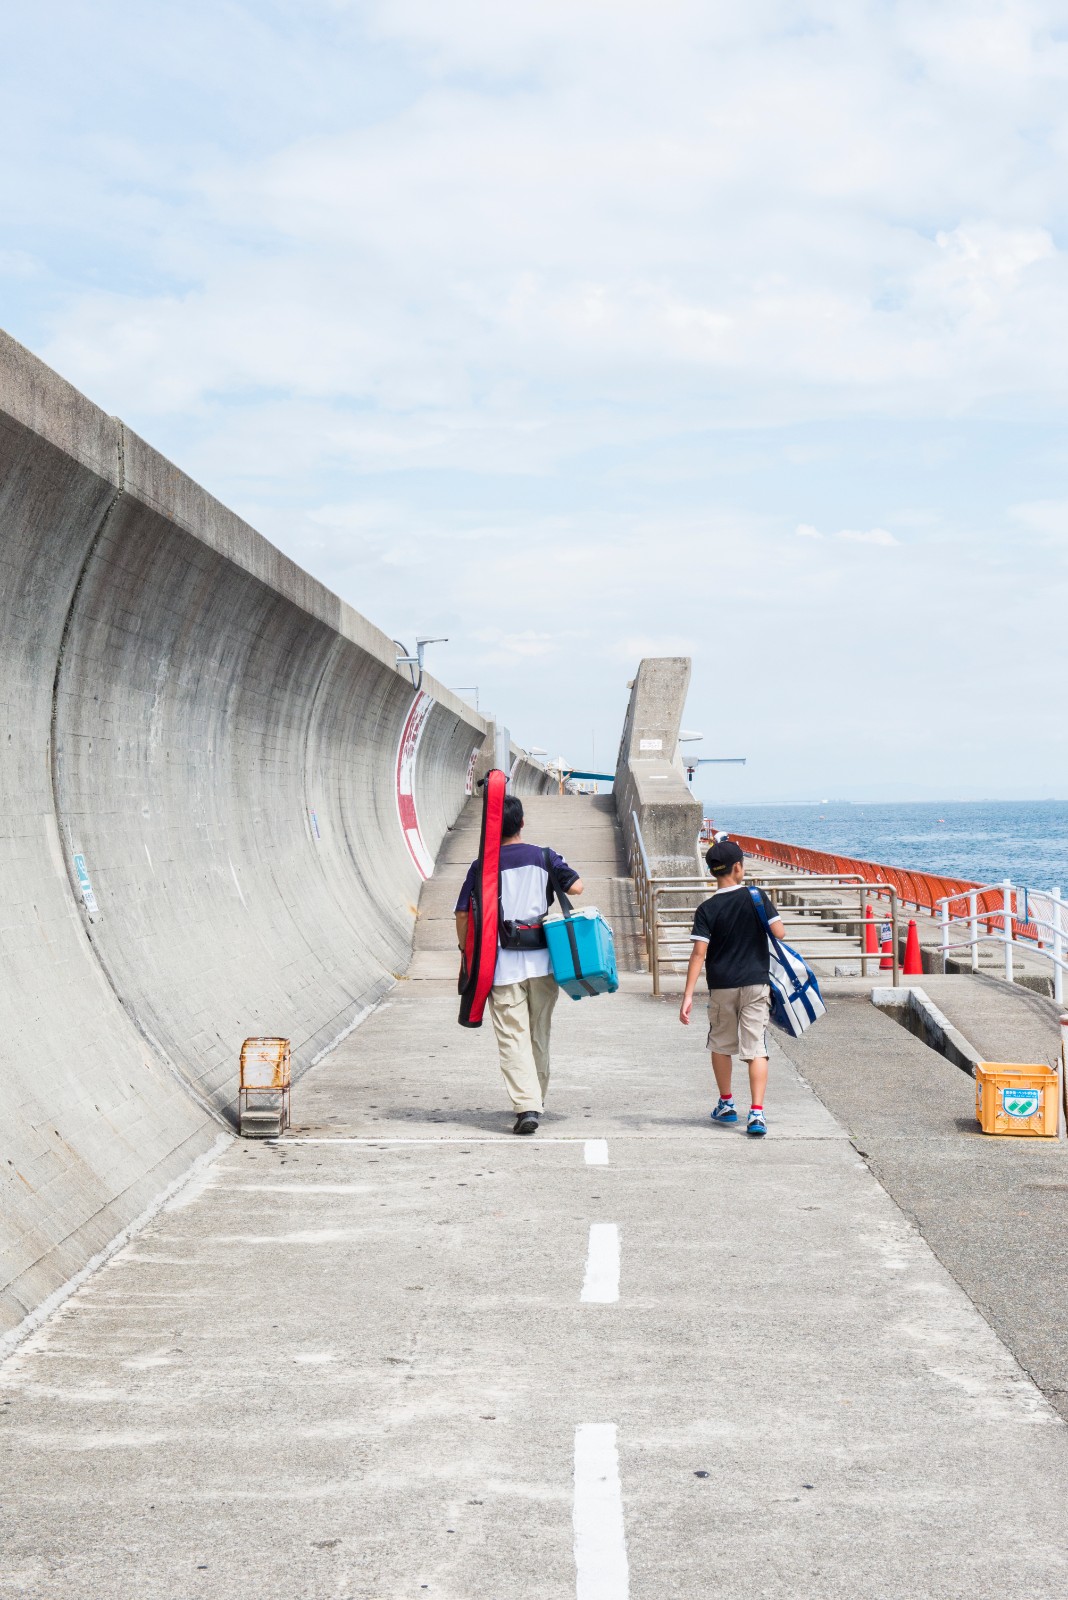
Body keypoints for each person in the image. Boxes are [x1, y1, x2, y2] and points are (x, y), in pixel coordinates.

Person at [454, 795, 583, 1135]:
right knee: (539, 1033)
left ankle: (527, 1105)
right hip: (543, 963)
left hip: (501, 965)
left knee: (513, 1038)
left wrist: (465, 952)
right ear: (522, 823)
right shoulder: (544, 855)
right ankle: (535, 1100)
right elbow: (578, 887)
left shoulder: (482, 865)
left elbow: (463, 912)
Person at [678, 839, 786, 1137]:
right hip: (755, 982)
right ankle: (757, 1114)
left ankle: (726, 1104)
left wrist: (687, 995)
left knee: (720, 1044)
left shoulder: (706, 908)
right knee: (756, 1048)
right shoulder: (756, 897)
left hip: (721, 985)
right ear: (738, 867)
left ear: (713, 871)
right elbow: (779, 932)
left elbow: (698, 953)